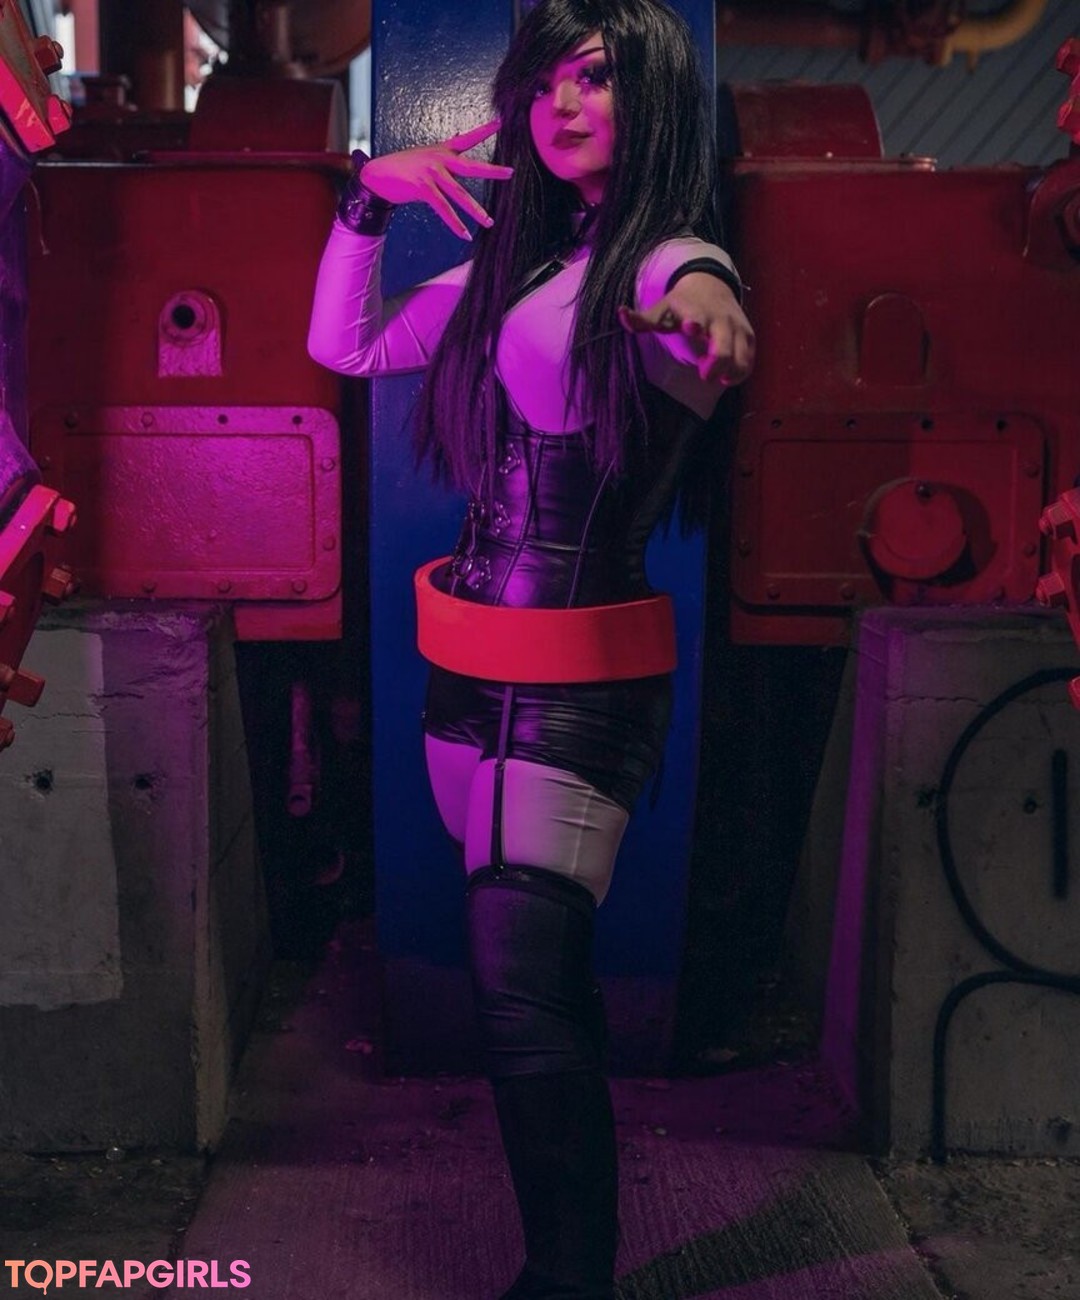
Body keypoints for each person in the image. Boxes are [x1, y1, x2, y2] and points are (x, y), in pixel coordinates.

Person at [308, 1, 755, 1296]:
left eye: (598, 78)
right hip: (470, 677)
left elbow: (700, 293)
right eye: (548, 81)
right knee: (531, 995)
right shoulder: (516, 271)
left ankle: (569, 1277)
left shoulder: (663, 261)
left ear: (651, 99)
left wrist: (711, 312)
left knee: (523, 999)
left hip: (570, 691)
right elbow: (343, 343)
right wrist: (367, 201)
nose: (564, 105)